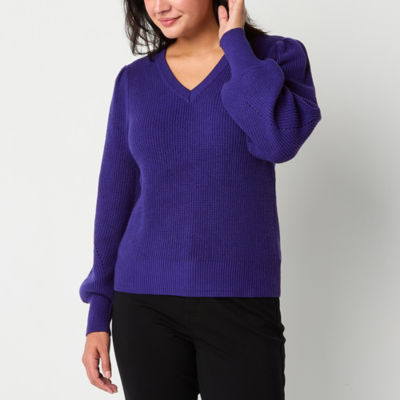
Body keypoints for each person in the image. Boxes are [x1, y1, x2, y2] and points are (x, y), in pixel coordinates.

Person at [79, 0, 322, 399]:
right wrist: (98, 313)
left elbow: (278, 141)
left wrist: (236, 45)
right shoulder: (133, 82)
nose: (159, 6)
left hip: (240, 298)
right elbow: (114, 199)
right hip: (142, 304)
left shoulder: (276, 57)